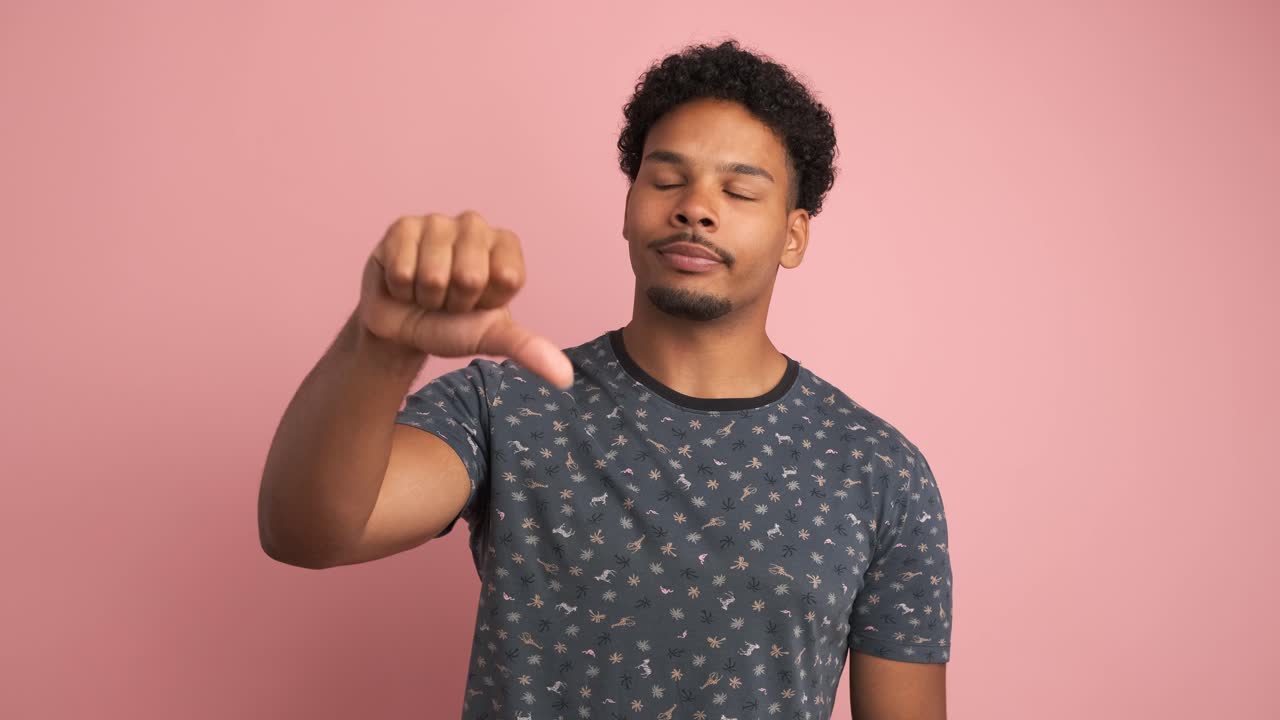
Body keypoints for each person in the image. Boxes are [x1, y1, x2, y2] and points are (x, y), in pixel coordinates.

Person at [259, 38, 953, 720]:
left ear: (793, 236)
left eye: (738, 190)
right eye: (666, 179)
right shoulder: (506, 406)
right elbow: (305, 534)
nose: (696, 208)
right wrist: (379, 345)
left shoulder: (879, 471)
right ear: (629, 204)